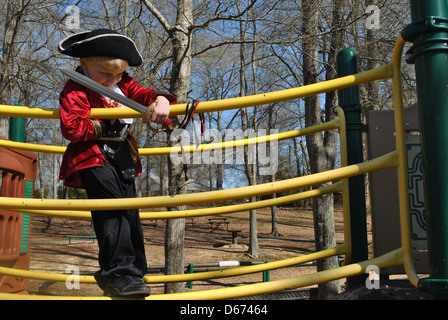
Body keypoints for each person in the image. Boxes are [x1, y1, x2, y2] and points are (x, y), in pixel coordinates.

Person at [58, 29, 176, 297]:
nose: (113, 79)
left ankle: (132, 271)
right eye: (105, 74)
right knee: (112, 212)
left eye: (118, 74)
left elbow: (142, 94)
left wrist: (160, 100)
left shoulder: (124, 84)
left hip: (122, 155)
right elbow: (73, 127)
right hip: (92, 156)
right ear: (84, 63)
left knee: (129, 212)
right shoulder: (76, 86)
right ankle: (119, 273)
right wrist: (108, 120)